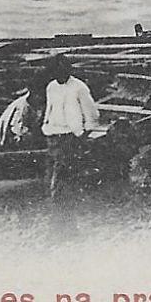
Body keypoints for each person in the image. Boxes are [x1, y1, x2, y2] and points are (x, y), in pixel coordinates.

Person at [40, 56, 104, 202]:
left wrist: (84, 133)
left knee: (62, 167)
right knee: (52, 166)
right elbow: (49, 108)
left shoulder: (79, 87)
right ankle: (55, 195)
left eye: (63, 70)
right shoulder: (51, 87)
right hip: (53, 133)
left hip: (70, 134)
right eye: (56, 71)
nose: (60, 74)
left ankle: (59, 198)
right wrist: (46, 125)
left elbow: (91, 112)